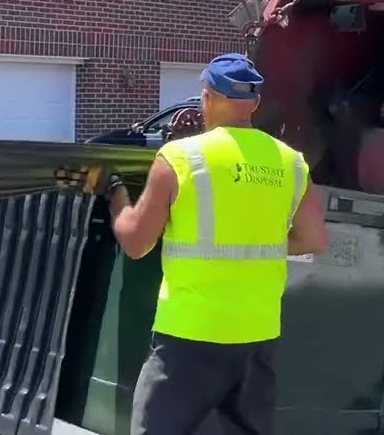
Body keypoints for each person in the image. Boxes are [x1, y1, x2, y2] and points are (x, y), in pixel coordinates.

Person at [93, 52, 328, 435]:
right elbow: (314, 239)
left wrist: (116, 194)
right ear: (254, 103)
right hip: (257, 335)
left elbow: (136, 242)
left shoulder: (181, 157)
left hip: (190, 337)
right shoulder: (292, 163)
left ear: (208, 96)